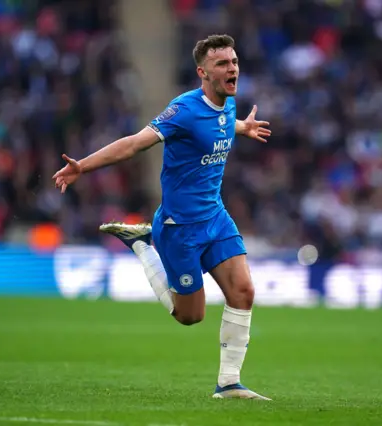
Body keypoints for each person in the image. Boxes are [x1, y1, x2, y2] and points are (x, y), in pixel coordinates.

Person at [52, 35, 272, 400]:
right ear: (203, 73)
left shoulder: (229, 104)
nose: (232, 68)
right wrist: (83, 166)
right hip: (178, 228)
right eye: (222, 64)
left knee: (244, 292)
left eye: (233, 61)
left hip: (215, 217)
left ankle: (229, 384)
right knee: (190, 316)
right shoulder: (183, 109)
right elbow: (136, 142)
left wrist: (242, 128)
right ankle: (141, 244)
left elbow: (217, 127)